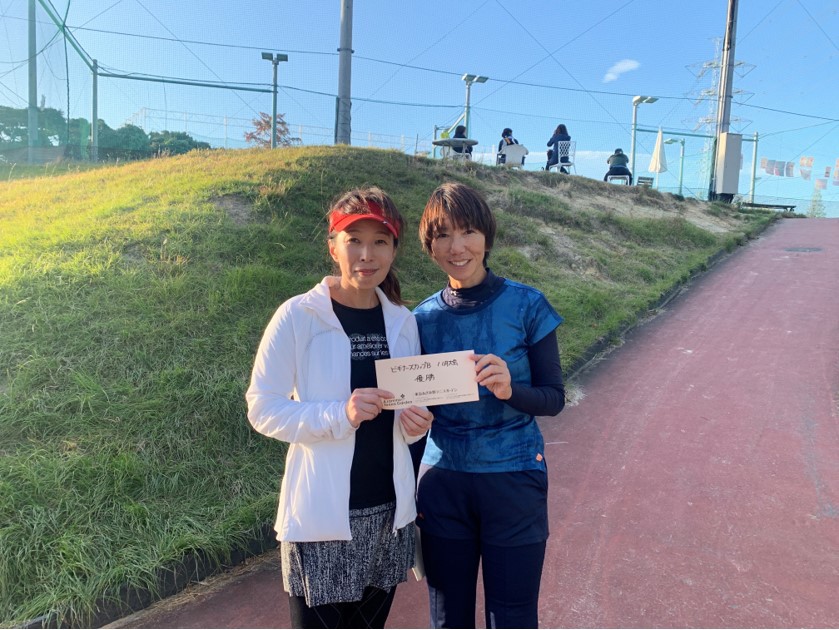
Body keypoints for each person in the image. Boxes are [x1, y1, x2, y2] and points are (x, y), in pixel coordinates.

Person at [246, 187, 434, 629]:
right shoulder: (298, 316)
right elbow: (262, 408)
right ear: (333, 247)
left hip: (388, 516)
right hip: (321, 520)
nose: (367, 255)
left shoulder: (403, 323)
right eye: (354, 240)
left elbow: (406, 415)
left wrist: (415, 425)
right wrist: (339, 415)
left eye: (380, 241)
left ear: (394, 250)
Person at [412, 182, 566, 629]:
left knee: (513, 616)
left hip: (514, 478)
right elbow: (413, 410)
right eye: (443, 235)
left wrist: (510, 390)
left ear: (486, 236)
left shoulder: (527, 305)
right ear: (430, 245)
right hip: (444, 484)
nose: (457, 247)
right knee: (448, 617)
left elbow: (554, 398)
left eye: (468, 232)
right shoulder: (420, 320)